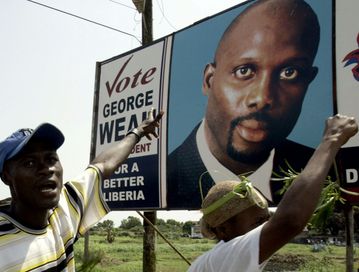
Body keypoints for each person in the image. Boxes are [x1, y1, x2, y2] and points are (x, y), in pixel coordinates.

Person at [167, 0, 321, 209]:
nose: (262, 98)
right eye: (244, 71)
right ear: (209, 80)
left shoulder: (323, 170)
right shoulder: (165, 180)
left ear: (308, 81)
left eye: (289, 73)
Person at [187, 114, 358, 272]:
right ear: (223, 229)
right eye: (258, 222)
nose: (267, 226)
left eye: (267, 218)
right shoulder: (227, 257)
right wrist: (332, 139)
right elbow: (289, 221)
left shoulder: (218, 261)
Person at [0, 108, 163, 271]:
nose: (47, 169)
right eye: (29, 162)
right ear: (7, 176)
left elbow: (103, 165)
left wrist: (138, 132)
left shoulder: (64, 210)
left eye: (51, 159)